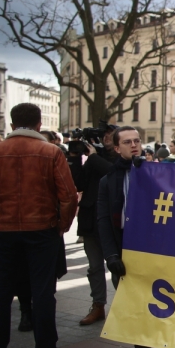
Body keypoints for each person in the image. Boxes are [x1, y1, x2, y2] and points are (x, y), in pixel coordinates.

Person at [0, 103, 78, 348]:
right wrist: (62, 225)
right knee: (42, 290)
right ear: (39, 124)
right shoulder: (50, 151)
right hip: (42, 229)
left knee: (1, 291)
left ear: (11, 125)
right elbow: (68, 196)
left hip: (4, 230)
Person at [97, 126, 174, 348]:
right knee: (133, 307)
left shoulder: (155, 176)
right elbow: (103, 221)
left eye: (137, 141)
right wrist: (111, 256)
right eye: (127, 142)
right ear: (116, 147)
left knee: (161, 306)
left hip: (154, 252)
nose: (134, 145)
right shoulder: (108, 181)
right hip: (123, 252)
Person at [67, 135, 114, 326]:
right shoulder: (93, 160)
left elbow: (112, 174)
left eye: (111, 135)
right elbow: (78, 183)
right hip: (90, 220)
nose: (107, 139)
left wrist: (93, 157)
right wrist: (75, 157)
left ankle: (124, 307)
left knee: (118, 268)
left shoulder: (118, 158)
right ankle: (98, 306)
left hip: (113, 222)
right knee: (94, 267)